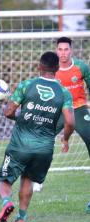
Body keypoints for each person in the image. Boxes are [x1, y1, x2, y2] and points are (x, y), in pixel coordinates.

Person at [0, 51, 75, 222]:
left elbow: (8, 112)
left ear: (39, 66)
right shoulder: (64, 93)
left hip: (20, 145)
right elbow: (70, 121)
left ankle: (6, 203)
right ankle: (22, 217)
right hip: (44, 149)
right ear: (57, 68)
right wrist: (66, 138)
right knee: (28, 179)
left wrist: (19, 116)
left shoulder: (26, 85)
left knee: (4, 180)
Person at [33, 37, 90, 193]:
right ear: (56, 50)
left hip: (78, 109)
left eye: (66, 49)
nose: (63, 53)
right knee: (42, 141)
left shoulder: (81, 67)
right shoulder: (51, 69)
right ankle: (38, 178)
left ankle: (66, 139)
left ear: (71, 50)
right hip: (56, 111)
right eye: (60, 49)